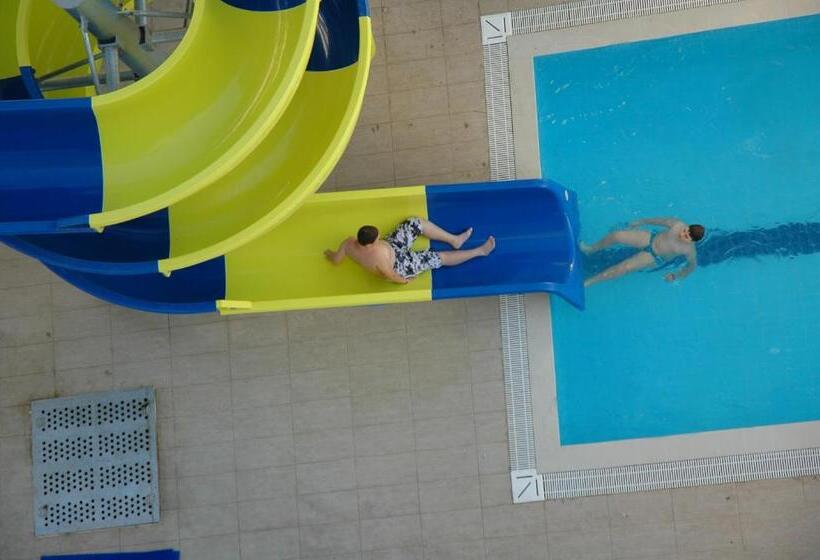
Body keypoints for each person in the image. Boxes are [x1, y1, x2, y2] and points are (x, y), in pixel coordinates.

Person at [324, 217, 495, 284]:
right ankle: (479, 251)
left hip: (392, 245)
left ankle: (454, 240)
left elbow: (336, 259)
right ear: (369, 245)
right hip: (399, 265)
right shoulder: (378, 261)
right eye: (377, 238)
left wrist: (330, 254)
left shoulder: (348, 243)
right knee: (437, 257)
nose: (379, 237)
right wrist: (405, 280)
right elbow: (391, 275)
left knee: (415, 223)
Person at [581, 217, 705, 287]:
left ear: (692, 241)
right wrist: (640, 222)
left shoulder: (689, 250)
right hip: (650, 239)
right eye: (685, 231)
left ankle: (589, 282)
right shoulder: (677, 225)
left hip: (654, 257)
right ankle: (591, 249)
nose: (682, 234)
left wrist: (676, 276)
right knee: (616, 235)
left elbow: (691, 267)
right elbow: (659, 221)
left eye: (686, 237)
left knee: (623, 268)